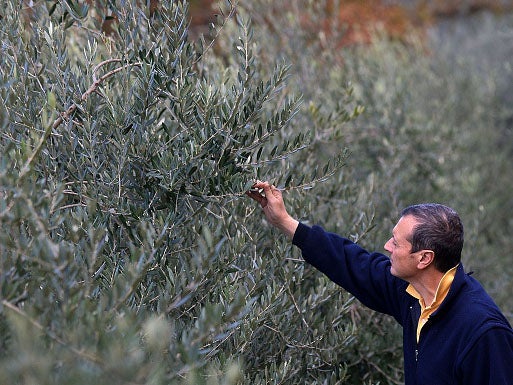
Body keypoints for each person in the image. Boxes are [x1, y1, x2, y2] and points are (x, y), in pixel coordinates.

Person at [246, 181, 513, 385]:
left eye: (396, 243)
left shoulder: (483, 334)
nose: (387, 247)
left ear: (424, 258)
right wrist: (285, 222)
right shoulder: (413, 293)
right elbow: (352, 263)